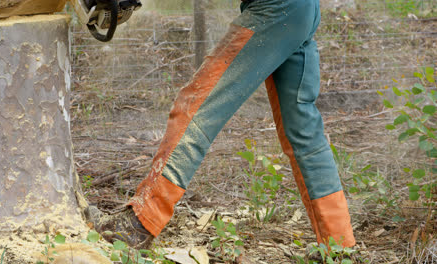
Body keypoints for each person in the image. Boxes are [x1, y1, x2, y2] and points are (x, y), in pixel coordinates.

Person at [88, 0, 356, 252]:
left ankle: (140, 222)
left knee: (196, 105)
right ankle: (339, 244)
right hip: (302, 11)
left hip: (276, 9)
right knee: (303, 130)